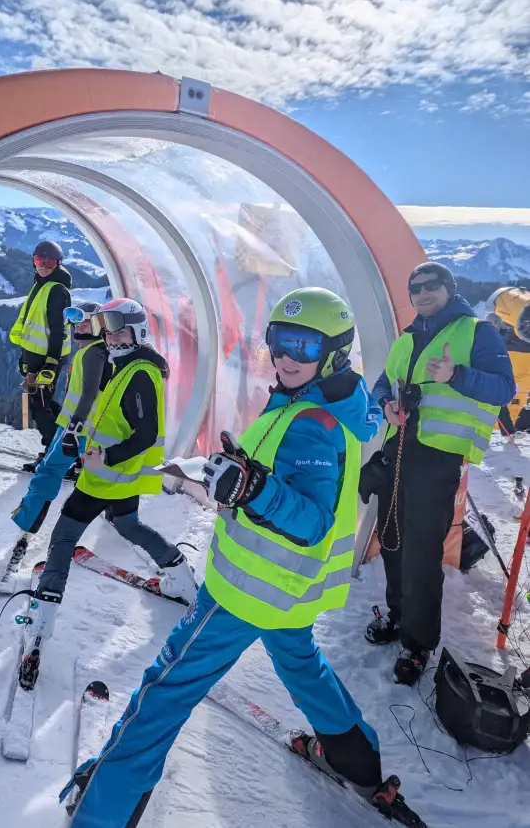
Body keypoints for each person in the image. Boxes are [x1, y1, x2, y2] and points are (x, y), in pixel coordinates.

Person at [61, 289, 423, 828]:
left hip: (244, 590)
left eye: (303, 345)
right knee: (303, 668)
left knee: (167, 688)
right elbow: (363, 425)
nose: (286, 357)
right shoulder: (338, 403)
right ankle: (358, 763)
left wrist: (253, 489)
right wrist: (237, 476)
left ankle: (102, 812)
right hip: (285, 592)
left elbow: (312, 519)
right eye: (279, 342)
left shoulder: (312, 425)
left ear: (334, 353)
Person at [22, 297, 198, 671]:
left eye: (119, 330)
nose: (113, 338)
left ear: (136, 331)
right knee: (127, 524)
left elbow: (144, 432)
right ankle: (180, 575)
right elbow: (112, 417)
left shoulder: (138, 373)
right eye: (108, 331)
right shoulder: (128, 364)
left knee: (65, 536)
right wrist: (79, 436)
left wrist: (106, 458)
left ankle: (42, 617)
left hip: (108, 475)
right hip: (118, 475)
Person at [364, 263, 515, 685]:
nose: (422, 293)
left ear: (449, 289)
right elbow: (381, 383)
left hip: (438, 459)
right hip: (398, 451)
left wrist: (456, 376)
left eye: (432, 286)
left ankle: (417, 644)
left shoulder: (475, 332)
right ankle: (398, 616)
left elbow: (505, 389)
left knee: (422, 554)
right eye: (415, 288)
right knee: (392, 541)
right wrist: (385, 405)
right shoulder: (408, 338)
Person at [10, 302, 110, 535]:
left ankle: (27, 521)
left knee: (49, 471)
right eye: (79, 322)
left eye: (89, 322)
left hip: (78, 427)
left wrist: (74, 427)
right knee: (61, 471)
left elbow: (89, 394)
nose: (82, 327)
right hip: (77, 425)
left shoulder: (94, 353)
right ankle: (117, 515)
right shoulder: (96, 350)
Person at [9, 240, 72, 470]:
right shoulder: (42, 284)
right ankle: (65, 447)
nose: (43, 266)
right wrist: (26, 359)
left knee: (41, 407)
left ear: (58, 264)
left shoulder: (56, 290)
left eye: (49, 262)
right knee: (43, 404)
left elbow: (58, 330)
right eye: (39, 260)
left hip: (47, 358)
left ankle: (56, 457)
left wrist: (51, 364)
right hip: (36, 357)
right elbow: (34, 326)